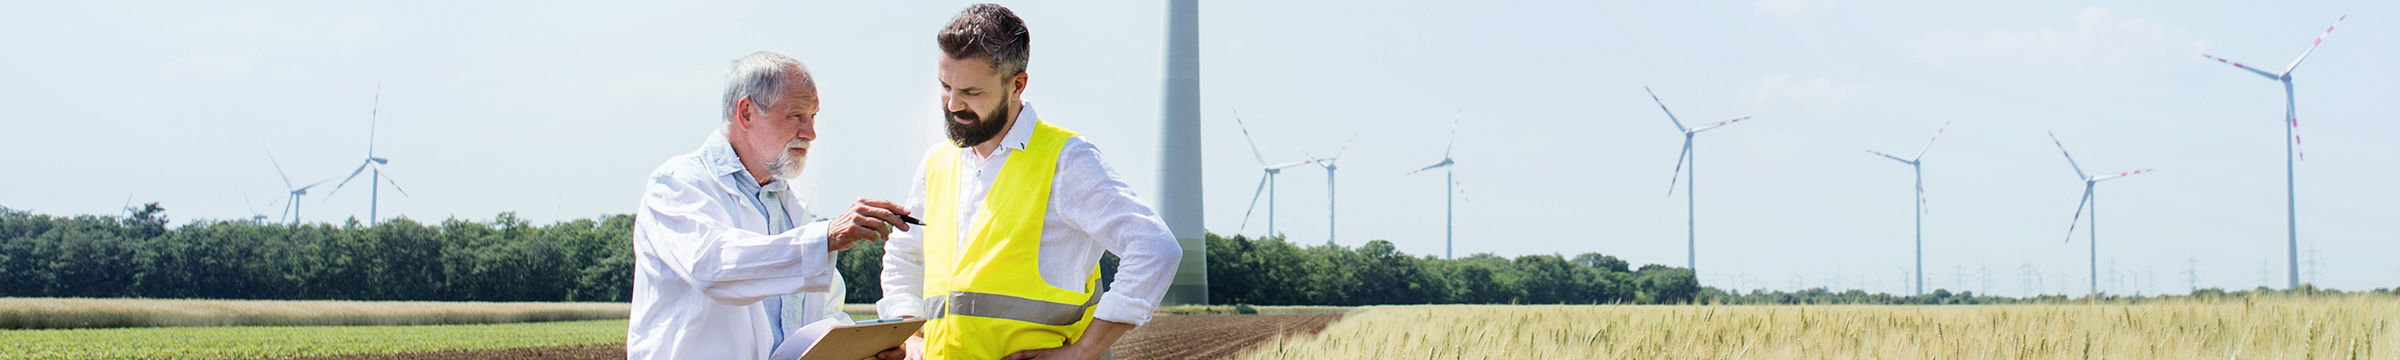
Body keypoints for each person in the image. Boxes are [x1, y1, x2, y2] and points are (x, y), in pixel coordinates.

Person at [876, 4, 1184, 360]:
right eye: (945, 86)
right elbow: (904, 258)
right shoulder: (936, 164)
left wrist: (1084, 352)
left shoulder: (1066, 161)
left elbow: (1155, 249)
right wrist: (911, 334)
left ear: (1017, 85)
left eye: (972, 92)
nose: (953, 104)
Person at [628, 51, 915, 360]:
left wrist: (856, 352)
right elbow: (713, 266)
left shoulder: (790, 207)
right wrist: (826, 237)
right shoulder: (678, 184)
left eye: (813, 116)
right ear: (747, 112)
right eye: (796, 115)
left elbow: (819, 315)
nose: (811, 133)